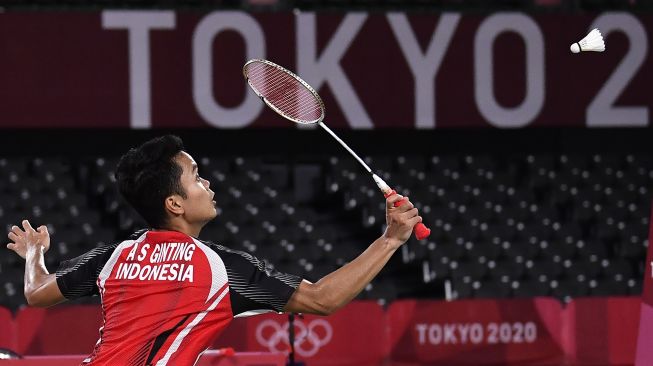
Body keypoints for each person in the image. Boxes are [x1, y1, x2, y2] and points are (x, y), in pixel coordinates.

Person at [7, 135, 422, 365]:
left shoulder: (113, 257)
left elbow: (36, 293)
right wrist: (390, 239)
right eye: (195, 176)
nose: (207, 184)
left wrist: (33, 253)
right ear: (174, 204)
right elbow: (323, 299)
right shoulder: (221, 268)